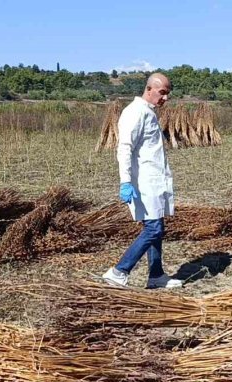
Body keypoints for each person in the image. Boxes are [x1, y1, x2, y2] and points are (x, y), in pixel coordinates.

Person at [102, 73, 182, 289]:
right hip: (143, 183)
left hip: (155, 182)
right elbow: (125, 148)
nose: (165, 98)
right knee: (153, 229)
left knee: (158, 227)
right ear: (149, 89)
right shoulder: (135, 113)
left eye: (167, 94)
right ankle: (119, 271)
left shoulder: (149, 113)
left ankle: (156, 275)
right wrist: (125, 181)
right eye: (162, 92)